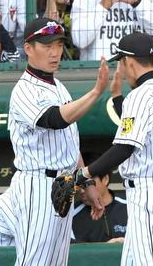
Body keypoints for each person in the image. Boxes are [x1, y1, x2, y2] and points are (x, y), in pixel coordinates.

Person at [74, 32, 153, 265]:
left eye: (121, 63)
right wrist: (116, 98)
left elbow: (124, 147)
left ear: (129, 61)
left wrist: (85, 173)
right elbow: (140, 128)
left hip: (149, 196)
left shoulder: (140, 95)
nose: (121, 71)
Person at [6, 17, 107, 265]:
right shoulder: (24, 89)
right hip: (37, 186)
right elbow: (55, 119)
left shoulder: (58, 86)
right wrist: (95, 93)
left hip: (65, 184)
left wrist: (87, 182)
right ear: (28, 49)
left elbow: (69, 142)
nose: (55, 52)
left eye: (59, 45)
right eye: (47, 45)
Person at [71, 0, 153, 61]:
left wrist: (137, 2)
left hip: (135, 70)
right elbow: (79, 40)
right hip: (99, 71)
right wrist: (104, 6)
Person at [72, 152, 127, 243]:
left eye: (88, 183)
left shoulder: (130, 206)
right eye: (78, 184)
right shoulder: (71, 214)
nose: (81, 190)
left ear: (105, 179)